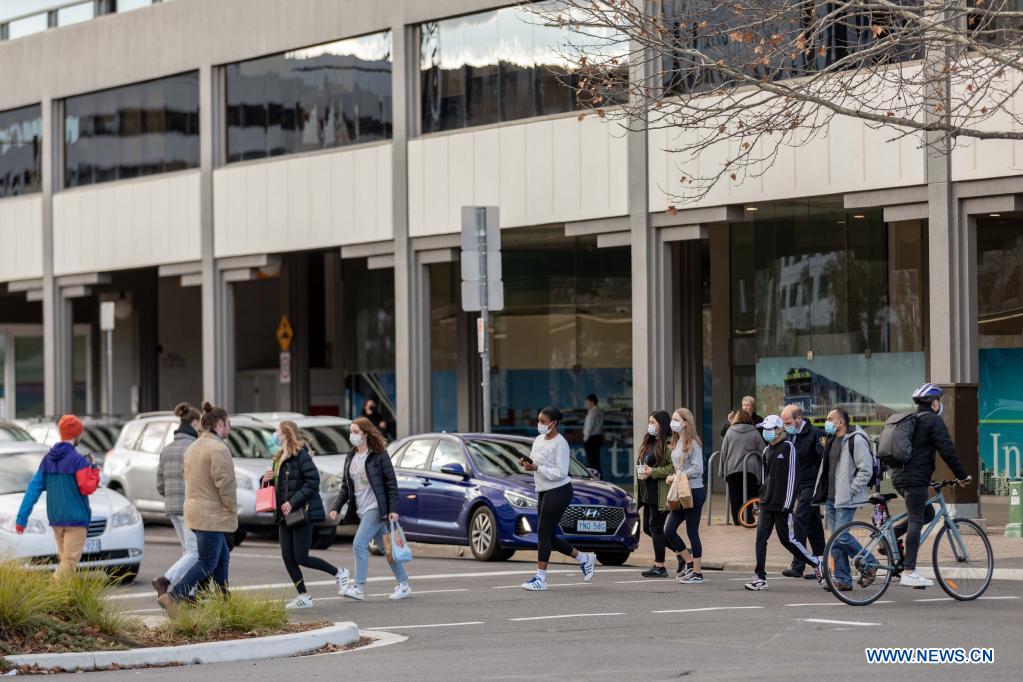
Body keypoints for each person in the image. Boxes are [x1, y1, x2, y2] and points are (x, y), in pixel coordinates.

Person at [891, 383, 971, 588]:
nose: (940, 404)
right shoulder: (932, 421)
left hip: (899, 477)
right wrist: (962, 475)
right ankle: (909, 570)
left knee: (926, 514)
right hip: (915, 478)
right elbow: (947, 450)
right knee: (916, 520)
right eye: (939, 400)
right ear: (933, 403)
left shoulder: (911, 420)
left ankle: (890, 537)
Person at [159, 402, 236, 610]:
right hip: (213, 515)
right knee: (207, 561)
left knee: (222, 557)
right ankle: (174, 596)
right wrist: (232, 509)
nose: (230, 427)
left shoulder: (193, 447)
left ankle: (224, 601)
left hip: (195, 512)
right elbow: (226, 484)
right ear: (220, 423)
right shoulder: (219, 449)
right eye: (228, 423)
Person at [262, 421, 347, 609]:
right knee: (287, 557)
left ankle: (339, 572)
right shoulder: (278, 457)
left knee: (301, 557)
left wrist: (293, 502)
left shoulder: (300, 455)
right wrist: (266, 479)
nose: (275, 435)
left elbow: (312, 482)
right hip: (283, 515)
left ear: (285, 433)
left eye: (277, 431)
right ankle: (304, 596)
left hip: (302, 512)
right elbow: (280, 485)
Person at [329, 417, 411, 601]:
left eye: (356, 432)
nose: (352, 435)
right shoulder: (350, 457)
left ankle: (358, 587)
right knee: (386, 548)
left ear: (365, 433)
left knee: (358, 544)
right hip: (361, 508)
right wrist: (336, 506)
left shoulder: (379, 455)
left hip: (376, 507)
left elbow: (391, 483)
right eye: (351, 432)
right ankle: (404, 584)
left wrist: (393, 508)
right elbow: (345, 486)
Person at [519, 406, 597, 591]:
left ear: (554, 423)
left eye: (543, 422)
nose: (539, 424)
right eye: (538, 421)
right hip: (544, 490)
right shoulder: (538, 440)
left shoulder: (560, 443)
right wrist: (526, 464)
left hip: (559, 490)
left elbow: (561, 472)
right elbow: (534, 462)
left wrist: (537, 468)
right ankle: (584, 558)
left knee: (543, 532)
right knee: (550, 537)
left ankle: (541, 578)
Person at [16, 415, 100, 581]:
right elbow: (87, 487)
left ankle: (64, 603)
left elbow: (33, 489)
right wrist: (95, 469)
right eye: (80, 434)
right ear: (76, 435)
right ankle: (50, 595)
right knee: (69, 563)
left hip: (56, 521)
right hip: (75, 521)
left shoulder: (48, 460)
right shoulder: (78, 460)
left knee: (65, 562)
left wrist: (21, 518)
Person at [744, 415, 824, 591]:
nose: (766, 432)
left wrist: (788, 504)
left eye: (770, 429)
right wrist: (761, 499)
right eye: (764, 429)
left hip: (782, 505)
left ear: (779, 430)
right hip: (766, 504)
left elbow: (793, 478)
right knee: (760, 540)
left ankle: (816, 562)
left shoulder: (788, 447)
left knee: (787, 540)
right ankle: (760, 577)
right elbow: (765, 480)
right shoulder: (766, 451)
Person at [811, 408, 876, 591]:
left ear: (841, 422)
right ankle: (843, 580)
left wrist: (850, 490)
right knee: (835, 540)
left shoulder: (856, 439)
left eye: (831, 419)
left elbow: (866, 469)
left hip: (846, 498)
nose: (827, 421)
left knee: (842, 537)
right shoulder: (831, 440)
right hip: (831, 498)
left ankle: (870, 563)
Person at [152, 402, 201, 599]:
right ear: (195, 423)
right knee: (195, 553)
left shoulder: (167, 449)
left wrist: (171, 496)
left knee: (187, 551)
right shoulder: (193, 447)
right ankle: (165, 579)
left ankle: (190, 592)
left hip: (172, 506)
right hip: (189, 507)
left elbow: (160, 484)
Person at [780, 404, 826, 579]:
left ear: (799, 419)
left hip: (812, 485)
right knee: (814, 526)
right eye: (784, 423)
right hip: (798, 486)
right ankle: (821, 565)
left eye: (789, 422)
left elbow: (824, 461)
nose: (787, 426)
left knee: (799, 519)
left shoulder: (815, 434)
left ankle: (798, 564)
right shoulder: (790, 435)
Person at [664, 408, 706, 584]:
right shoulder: (677, 442)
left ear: (686, 423)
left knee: (692, 531)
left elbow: (698, 469)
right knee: (669, 530)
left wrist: (677, 476)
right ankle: (689, 562)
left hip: (693, 491)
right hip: (681, 492)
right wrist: (675, 477)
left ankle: (697, 573)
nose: (672, 422)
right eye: (672, 419)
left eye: (676, 419)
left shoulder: (693, 443)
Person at [635, 410, 675, 578]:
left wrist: (654, 472)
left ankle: (660, 566)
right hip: (646, 491)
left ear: (662, 424)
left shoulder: (668, 444)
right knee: (648, 528)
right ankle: (682, 553)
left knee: (656, 527)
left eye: (653, 423)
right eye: (649, 422)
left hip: (660, 492)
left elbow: (673, 468)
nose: (650, 426)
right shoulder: (648, 441)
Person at [719, 409, 765, 525]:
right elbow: (763, 450)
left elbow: (724, 452)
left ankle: (737, 521)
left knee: (735, 498)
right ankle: (748, 519)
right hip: (751, 470)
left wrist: (721, 471)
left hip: (732, 469)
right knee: (749, 496)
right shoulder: (754, 432)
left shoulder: (730, 431)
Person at [582, 394, 605, 477]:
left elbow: (589, 426)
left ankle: (594, 478)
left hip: (591, 439)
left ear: (591, 402)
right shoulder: (600, 411)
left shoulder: (592, 412)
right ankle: (600, 477)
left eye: (587, 402)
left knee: (591, 461)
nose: (586, 404)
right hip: (598, 437)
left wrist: (585, 439)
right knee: (596, 461)